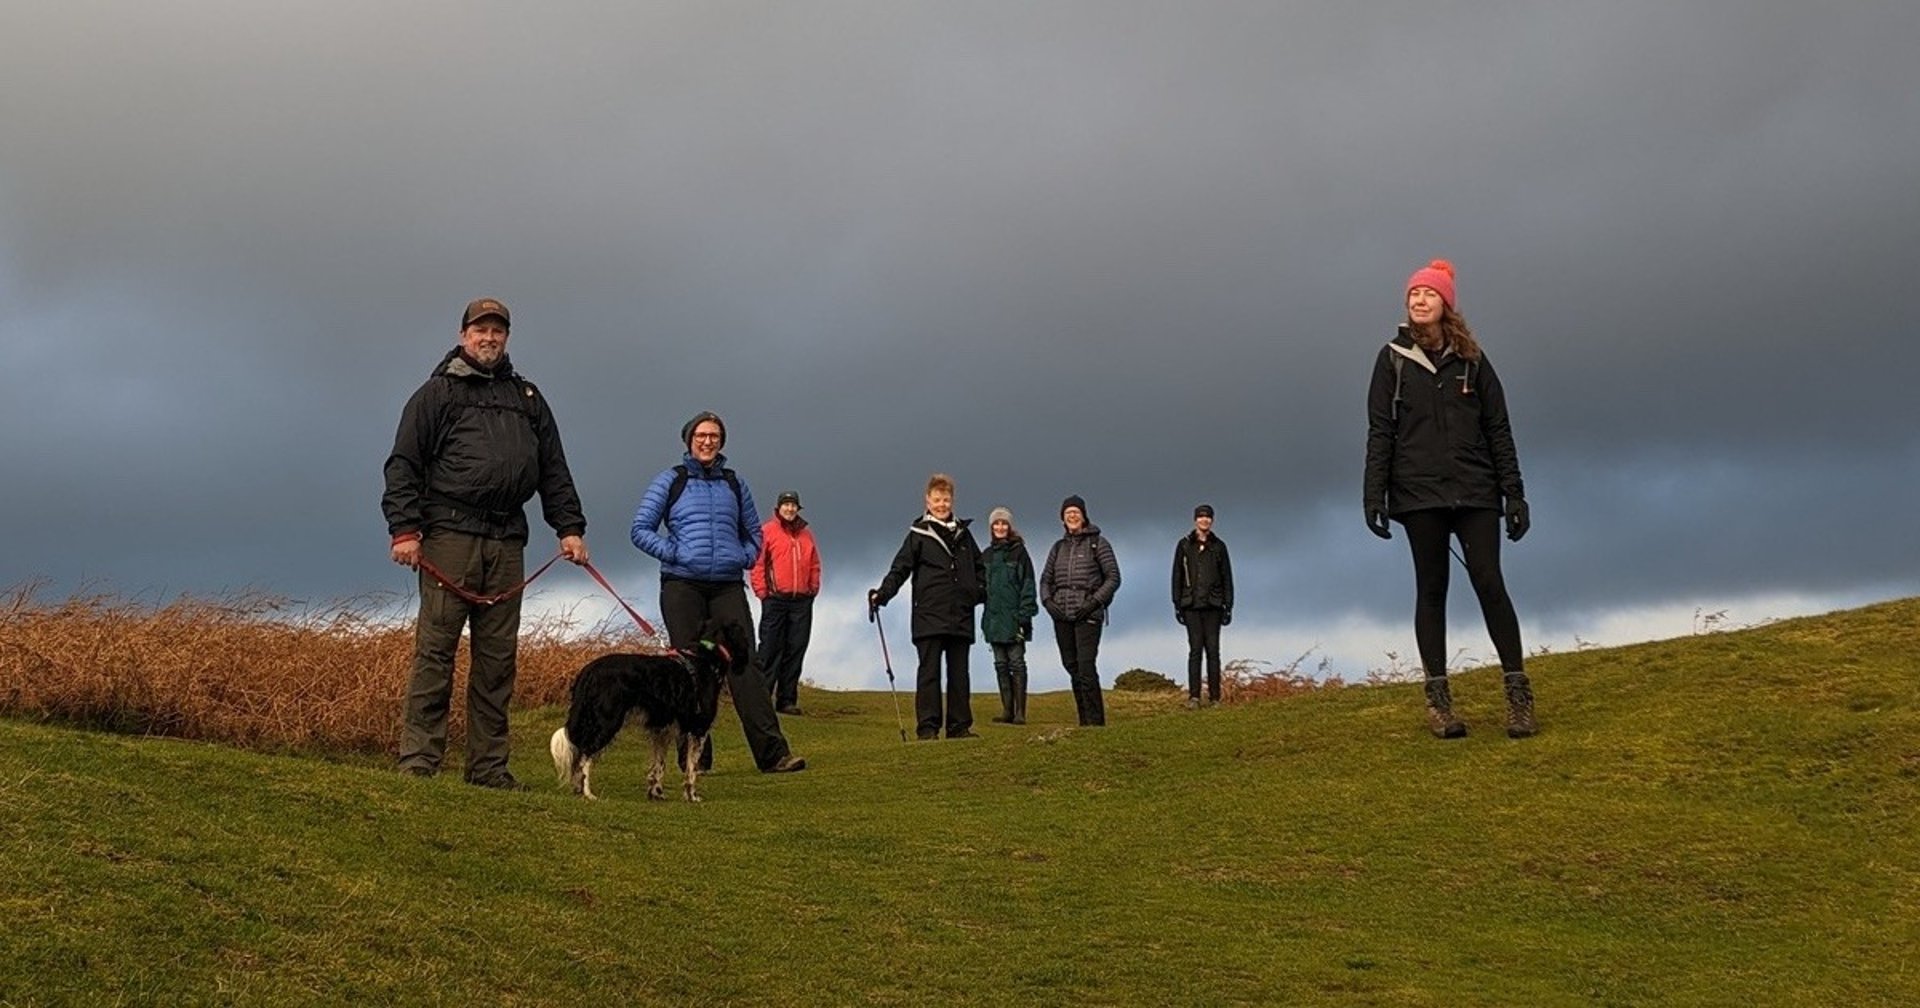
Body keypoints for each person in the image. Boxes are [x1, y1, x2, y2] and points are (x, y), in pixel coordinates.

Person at [382, 297, 590, 789]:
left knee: (498, 662)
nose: (489, 338)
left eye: (498, 331)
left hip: (506, 543)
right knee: (436, 652)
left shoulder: (529, 399)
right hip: (449, 537)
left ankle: (489, 768)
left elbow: (554, 470)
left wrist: (569, 528)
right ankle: (419, 762)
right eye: (481, 330)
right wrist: (405, 531)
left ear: (507, 338)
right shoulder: (436, 394)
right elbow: (403, 466)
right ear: (463, 335)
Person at [1363, 259, 1537, 739]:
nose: (1419, 301)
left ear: (1446, 304)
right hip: (1418, 494)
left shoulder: (1474, 359)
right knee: (1432, 589)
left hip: (1476, 489)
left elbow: (1498, 427)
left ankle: (1519, 697)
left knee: (1488, 580)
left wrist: (1514, 493)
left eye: (1428, 294)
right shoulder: (1392, 358)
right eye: (1413, 294)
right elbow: (1381, 430)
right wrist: (1373, 493)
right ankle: (1440, 704)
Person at [630, 411, 807, 772]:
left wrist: (743, 556)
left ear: (721, 442)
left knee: (746, 666)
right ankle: (695, 760)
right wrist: (674, 553)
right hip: (682, 586)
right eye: (701, 435)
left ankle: (774, 755)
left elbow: (755, 535)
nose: (707, 441)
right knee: (690, 669)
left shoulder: (734, 483)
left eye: (714, 435)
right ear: (689, 440)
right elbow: (640, 528)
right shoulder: (671, 480)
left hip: (727, 585)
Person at [868, 474, 986, 740]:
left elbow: (980, 569)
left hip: (960, 614)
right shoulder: (918, 534)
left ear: (952, 500)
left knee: (960, 674)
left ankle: (959, 727)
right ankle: (928, 728)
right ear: (927, 500)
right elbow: (900, 569)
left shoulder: (965, 535)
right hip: (929, 614)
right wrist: (882, 594)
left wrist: (977, 593)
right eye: (937, 499)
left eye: (946, 499)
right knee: (929, 673)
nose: (942, 504)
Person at [1040, 495, 1121, 727]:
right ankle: (1084, 721)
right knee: (1072, 666)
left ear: (1084, 515)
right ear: (1062, 519)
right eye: (1068, 514)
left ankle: (1096, 722)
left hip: (1088, 614)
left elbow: (1113, 577)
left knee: (1086, 666)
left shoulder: (1099, 543)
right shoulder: (1057, 547)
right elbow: (1045, 579)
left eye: (1076, 512)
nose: (1072, 516)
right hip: (1061, 614)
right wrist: (1048, 602)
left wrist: (1094, 602)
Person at [751, 489, 821, 716]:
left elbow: (814, 564)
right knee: (770, 649)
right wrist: (763, 592)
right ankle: (762, 699)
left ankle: (787, 700)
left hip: (801, 601)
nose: (790, 509)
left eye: (793, 505)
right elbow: (758, 564)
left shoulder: (806, 535)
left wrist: (812, 589)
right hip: (775, 600)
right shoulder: (767, 531)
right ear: (778, 508)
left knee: (795, 650)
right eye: (786, 505)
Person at [1172, 503, 1234, 708]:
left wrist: (1228, 605)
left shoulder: (1219, 546)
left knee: (1213, 651)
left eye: (1208, 517)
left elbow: (1227, 576)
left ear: (1212, 521)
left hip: (1214, 605)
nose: (1204, 520)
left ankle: (1215, 697)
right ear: (1195, 520)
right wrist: (1177, 604)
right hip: (1191, 605)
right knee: (1195, 651)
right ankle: (1194, 697)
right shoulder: (1183, 545)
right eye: (1201, 517)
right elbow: (1176, 576)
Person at [980, 506, 1038, 725]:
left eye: (1004, 523)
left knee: (1017, 664)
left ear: (1010, 527)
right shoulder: (986, 555)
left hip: (1015, 619)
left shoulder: (1020, 553)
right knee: (1000, 665)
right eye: (996, 523)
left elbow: (1028, 585)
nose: (1000, 527)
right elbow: (979, 588)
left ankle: (1020, 713)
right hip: (993, 620)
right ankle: (1006, 710)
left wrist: (1025, 615)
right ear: (991, 527)